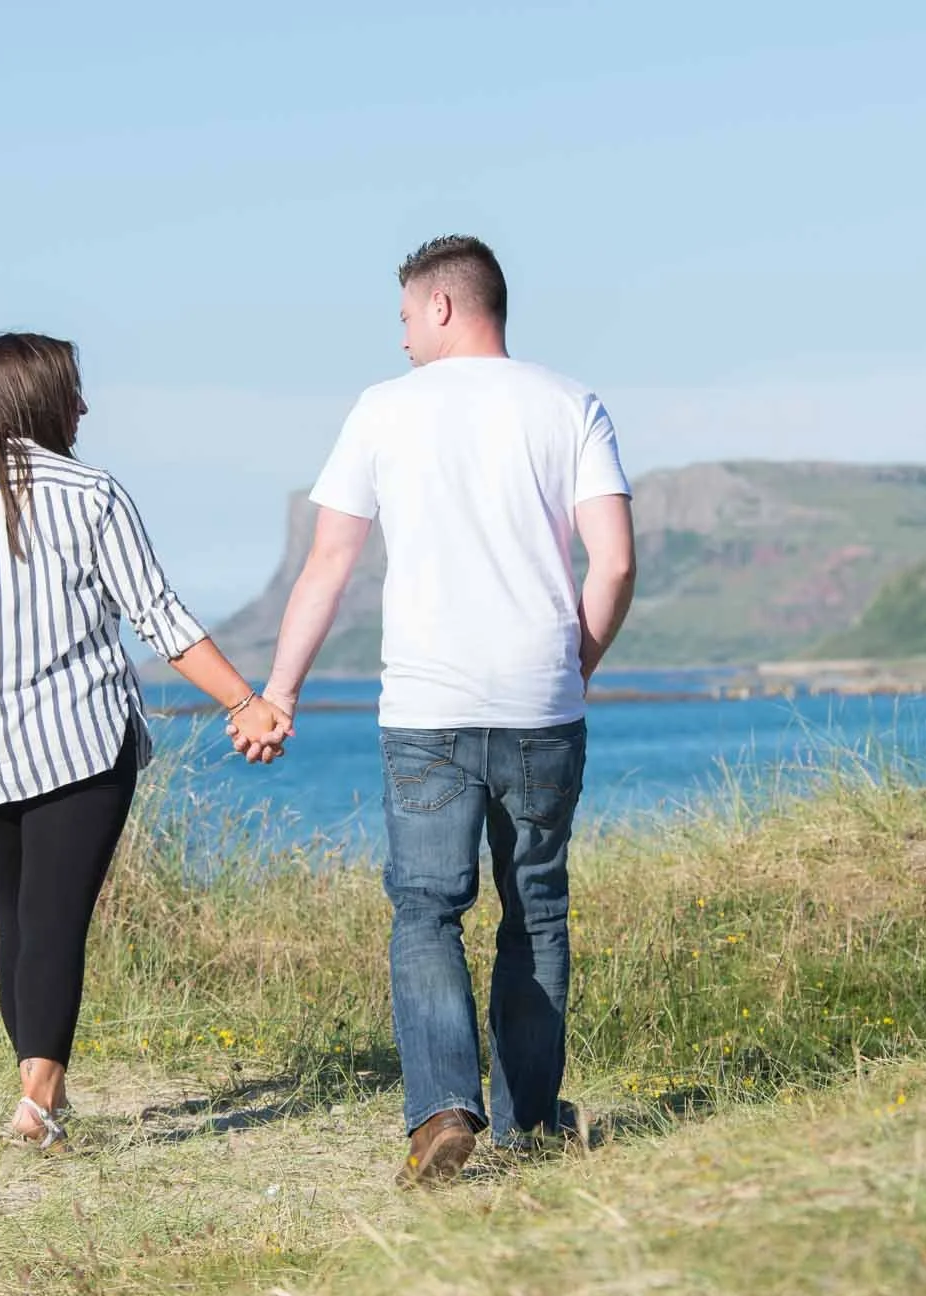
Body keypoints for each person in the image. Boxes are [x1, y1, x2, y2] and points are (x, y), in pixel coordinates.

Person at [240, 236, 637, 1186]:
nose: (406, 338)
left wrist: (279, 693)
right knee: (534, 910)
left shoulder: (383, 410)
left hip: (426, 702)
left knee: (426, 912)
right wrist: (572, 666)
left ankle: (444, 1115)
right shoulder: (571, 402)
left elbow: (328, 565)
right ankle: (532, 1123)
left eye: (409, 318)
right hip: (542, 698)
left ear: (447, 307)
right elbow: (614, 563)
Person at [0, 331, 289, 1149]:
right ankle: (40, 1099)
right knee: (53, 920)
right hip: (79, 745)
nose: (86, 406)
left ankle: (39, 1092)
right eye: (75, 390)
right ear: (47, 397)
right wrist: (246, 700)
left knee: (21, 921)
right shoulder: (93, 494)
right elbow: (159, 615)